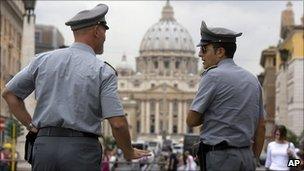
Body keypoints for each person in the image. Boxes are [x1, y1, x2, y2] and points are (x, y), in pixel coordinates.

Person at [1, 4, 150, 171]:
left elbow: (9, 94)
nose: (105, 37)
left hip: (44, 147)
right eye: (104, 31)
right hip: (81, 151)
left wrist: (30, 125)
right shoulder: (103, 71)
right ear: (97, 31)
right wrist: (128, 151)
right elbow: (118, 124)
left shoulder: (42, 60)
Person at [186, 21, 265, 171]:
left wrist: (213, 112)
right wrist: (254, 159)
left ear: (220, 52)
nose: (200, 54)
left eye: (204, 49)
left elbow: (191, 120)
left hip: (220, 158)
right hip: (246, 157)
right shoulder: (253, 80)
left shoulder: (212, 76)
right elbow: (261, 126)